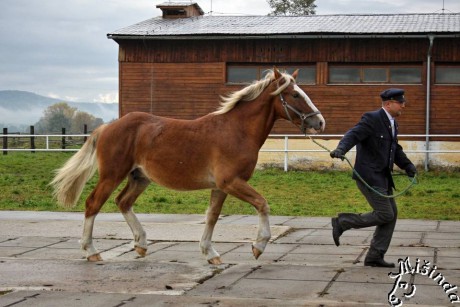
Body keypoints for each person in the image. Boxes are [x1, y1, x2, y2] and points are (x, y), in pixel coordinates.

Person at [329, 88, 417, 268]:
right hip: (368, 176)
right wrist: (341, 149)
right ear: (388, 103)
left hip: (383, 178)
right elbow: (353, 134)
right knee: (385, 213)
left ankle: (375, 256)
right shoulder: (372, 118)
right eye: (400, 102)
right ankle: (342, 222)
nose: (403, 105)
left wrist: (408, 166)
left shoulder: (393, 124)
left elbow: (395, 149)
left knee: (390, 216)